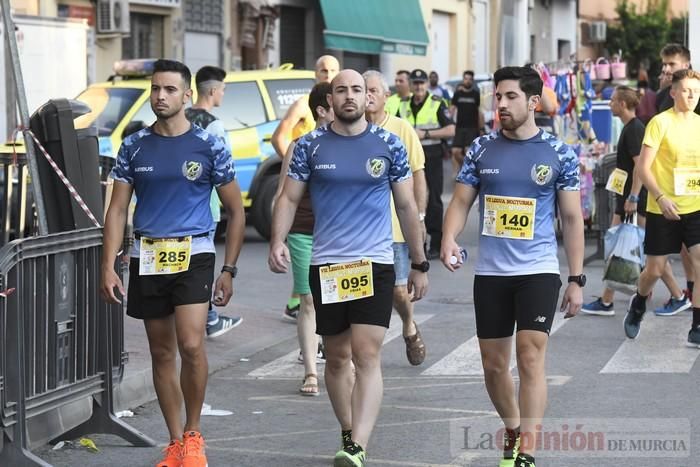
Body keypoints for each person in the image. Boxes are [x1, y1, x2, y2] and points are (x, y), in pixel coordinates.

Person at [269, 69, 428, 467]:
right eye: (342, 90)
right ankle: (348, 430)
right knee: (337, 357)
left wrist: (420, 262)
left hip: (374, 262)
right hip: (328, 265)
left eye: (358, 89)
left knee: (366, 354)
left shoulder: (389, 145)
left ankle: (357, 445)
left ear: (370, 97)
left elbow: (407, 206)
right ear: (331, 100)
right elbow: (288, 199)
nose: (351, 96)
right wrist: (276, 240)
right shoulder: (309, 146)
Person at [100, 59, 245, 467]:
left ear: (186, 95)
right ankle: (174, 441)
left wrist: (229, 269)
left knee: (192, 343)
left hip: (195, 252)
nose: (160, 96)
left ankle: (194, 432)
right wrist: (107, 264)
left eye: (169, 90)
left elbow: (236, 210)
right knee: (161, 353)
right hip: (148, 254)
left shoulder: (209, 144)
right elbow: (116, 211)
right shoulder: (133, 146)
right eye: (155, 89)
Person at [441, 66, 584, 467]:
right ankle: (514, 428)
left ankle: (529, 452)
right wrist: (449, 237)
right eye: (497, 97)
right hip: (491, 273)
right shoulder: (482, 149)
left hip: (538, 269)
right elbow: (461, 201)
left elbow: (572, 219)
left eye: (509, 97)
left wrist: (576, 279)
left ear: (533, 102)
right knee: (493, 365)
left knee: (530, 355)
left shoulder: (558, 153)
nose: (500, 104)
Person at [581, 86, 687, 316]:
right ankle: (608, 300)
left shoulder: (635, 130)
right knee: (625, 248)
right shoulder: (631, 128)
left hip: (634, 201)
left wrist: (633, 196)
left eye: (612, 101)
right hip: (629, 199)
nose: (610, 105)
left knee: (647, 251)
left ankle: (677, 296)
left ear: (622, 104)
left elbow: (642, 167)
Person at [624, 69, 700, 346]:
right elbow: (643, 167)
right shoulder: (659, 123)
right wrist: (660, 198)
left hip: (695, 206)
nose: (692, 96)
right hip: (662, 208)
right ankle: (639, 303)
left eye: (696, 91)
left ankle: (697, 326)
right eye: (686, 90)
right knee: (654, 270)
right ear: (674, 92)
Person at [273, 82, 334, 396]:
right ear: (322, 110)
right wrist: (277, 240)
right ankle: (311, 371)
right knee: (308, 300)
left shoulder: (353, 143)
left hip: (341, 236)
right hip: (304, 231)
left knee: (337, 301)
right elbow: (284, 194)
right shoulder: (299, 146)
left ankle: (341, 358)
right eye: (336, 101)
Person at [364, 69, 429, 365]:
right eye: (360, 90)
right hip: (360, 231)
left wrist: (420, 216)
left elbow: (418, 176)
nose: (365, 96)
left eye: (372, 90)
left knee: (399, 293)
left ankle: (408, 326)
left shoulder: (402, 130)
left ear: (386, 96)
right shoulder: (348, 130)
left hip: (396, 228)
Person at [272, 55, 340, 322]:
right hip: (305, 220)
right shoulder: (305, 104)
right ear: (316, 72)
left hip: (335, 227)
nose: (329, 74)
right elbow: (281, 135)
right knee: (311, 294)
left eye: (333, 69)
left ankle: (298, 305)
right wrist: (296, 163)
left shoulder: (344, 108)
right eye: (324, 69)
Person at [185, 65, 244, 337]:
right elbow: (224, 167)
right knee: (202, 261)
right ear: (212, 90)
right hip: (205, 205)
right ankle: (209, 318)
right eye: (222, 89)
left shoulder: (181, 117)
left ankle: (194, 317)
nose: (223, 93)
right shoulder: (214, 125)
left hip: (180, 204)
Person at [653, 43, 697, 304]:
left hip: (694, 181)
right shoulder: (663, 98)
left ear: (686, 65)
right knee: (683, 246)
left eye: (671, 64)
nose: (666, 69)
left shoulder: (696, 94)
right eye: (664, 64)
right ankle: (690, 290)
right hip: (671, 183)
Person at [398, 69, 455, 259]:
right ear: (411, 85)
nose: (419, 87)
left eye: (422, 83)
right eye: (415, 83)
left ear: (426, 84)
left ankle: (436, 244)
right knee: (411, 199)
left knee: (434, 200)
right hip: (409, 156)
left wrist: (427, 134)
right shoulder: (403, 104)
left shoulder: (436, 103)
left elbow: (451, 129)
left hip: (432, 155)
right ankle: (417, 243)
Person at [450, 70, 483, 174]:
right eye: (466, 79)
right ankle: (465, 167)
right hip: (459, 127)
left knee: (469, 152)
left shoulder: (475, 94)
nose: (467, 81)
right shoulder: (457, 94)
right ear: (463, 79)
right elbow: (452, 109)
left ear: (472, 81)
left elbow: (479, 112)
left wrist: (481, 128)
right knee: (455, 151)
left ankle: (467, 172)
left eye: (469, 79)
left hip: (472, 128)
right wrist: (449, 123)